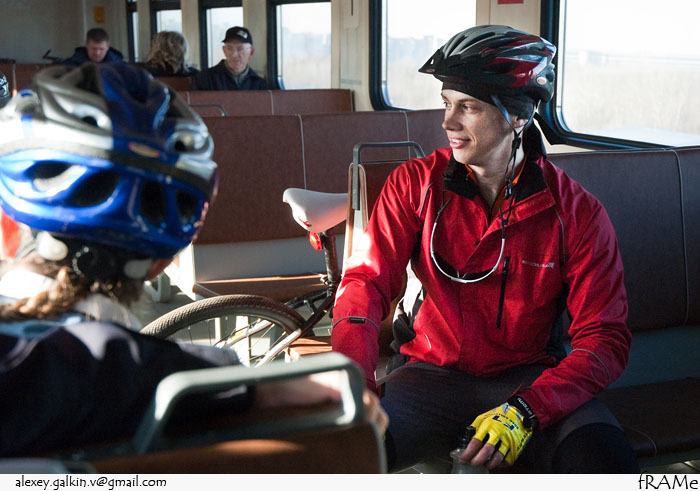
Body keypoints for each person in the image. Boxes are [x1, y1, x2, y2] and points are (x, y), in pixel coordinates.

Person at [0, 62, 386, 458]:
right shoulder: (193, 392)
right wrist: (251, 383)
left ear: (7, 227)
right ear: (161, 262)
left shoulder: (117, 379)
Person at [331, 25, 639, 473]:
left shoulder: (577, 213)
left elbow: (605, 337)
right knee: (340, 456)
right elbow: (364, 284)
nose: (448, 122)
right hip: (426, 379)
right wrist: (355, 381)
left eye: (469, 107)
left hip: (529, 383)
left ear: (517, 117)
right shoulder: (414, 185)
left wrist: (529, 409)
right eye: (446, 103)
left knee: (606, 462)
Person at [192, 26, 267, 91]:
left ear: (251, 52)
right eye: (229, 48)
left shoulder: (259, 84)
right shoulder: (205, 79)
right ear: (224, 50)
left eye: (240, 49)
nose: (234, 54)